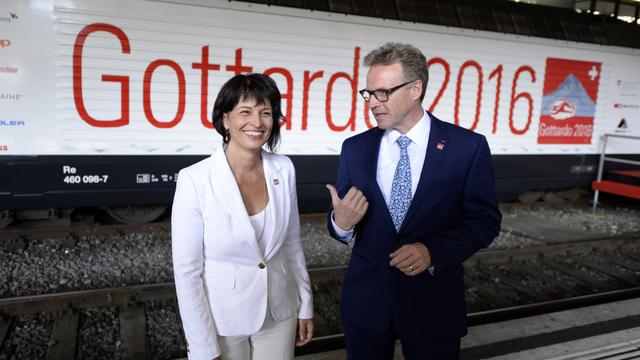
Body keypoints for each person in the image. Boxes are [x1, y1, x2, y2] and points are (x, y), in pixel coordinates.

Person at [326, 42, 501, 359]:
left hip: (433, 307)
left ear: (416, 88)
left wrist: (432, 251)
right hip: (367, 304)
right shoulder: (355, 148)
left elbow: (485, 222)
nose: (373, 103)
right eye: (368, 93)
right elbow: (339, 220)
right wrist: (341, 223)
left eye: (383, 92)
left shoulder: (467, 147)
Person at [172, 73, 314, 360]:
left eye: (266, 113)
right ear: (225, 119)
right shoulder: (195, 179)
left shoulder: (284, 169)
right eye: (245, 112)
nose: (257, 122)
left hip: (279, 310)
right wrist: (201, 345)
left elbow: (292, 243)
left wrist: (305, 304)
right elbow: (187, 272)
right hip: (223, 318)